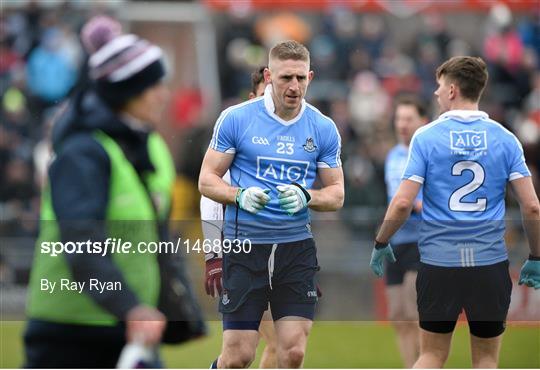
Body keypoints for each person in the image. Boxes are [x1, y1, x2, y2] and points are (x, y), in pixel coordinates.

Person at [369, 56, 540, 368]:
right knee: (486, 358)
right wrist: (536, 256)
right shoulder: (506, 138)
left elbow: (403, 203)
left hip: (438, 263)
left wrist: (381, 242)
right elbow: (531, 206)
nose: (435, 93)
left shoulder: (426, 136)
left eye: (439, 86)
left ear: (452, 90)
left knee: (431, 355)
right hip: (489, 263)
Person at [25, 16, 174, 367]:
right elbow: (81, 238)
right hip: (70, 334)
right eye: (154, 86)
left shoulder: (147, 147)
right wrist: (129, 306)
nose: (163, 95)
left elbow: (159, 235)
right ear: (129, 93)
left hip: (127, 328)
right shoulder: (83, 152)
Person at [199, 40, 344, 368]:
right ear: (268, 75)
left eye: (300, 78)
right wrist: (238, 195)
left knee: (292, 352)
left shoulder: (323, 128)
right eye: (285, 78)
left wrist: (309, 197)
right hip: (245, 248)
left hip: (296, 249)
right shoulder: (236, 119)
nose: (294, 86)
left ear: (310, 76)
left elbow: (336, 194)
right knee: (239, 357)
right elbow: (206, 180)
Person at [201, 66, 279, 368]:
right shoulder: (237, 138)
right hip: (242, 253)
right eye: (264, 97)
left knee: (286, 345)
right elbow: (209, 194)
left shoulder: (292, 142)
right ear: (252, 99)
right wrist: (213, 256)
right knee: (244, 353)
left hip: (279, 255)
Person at [383, 96, 428, 367]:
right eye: (399, 118)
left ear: (423, 121)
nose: (402, 124)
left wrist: (414, 205)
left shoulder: (427, 153)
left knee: (415, 312)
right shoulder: (393, 155)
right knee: (397, 315)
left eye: (409, 119)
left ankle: (428, 362)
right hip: (395, 240)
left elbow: (423, 200)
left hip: (420, 240)